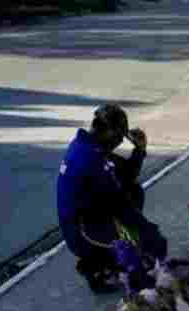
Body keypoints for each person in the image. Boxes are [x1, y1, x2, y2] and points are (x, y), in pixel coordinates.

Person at [56, 104, 167, 293]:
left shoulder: (86, 145)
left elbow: (126, 177)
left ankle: (105, 260)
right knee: (139, 251)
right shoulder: (91, 159)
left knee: (133, 191)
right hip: (82, 231)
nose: (118, 143)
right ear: (108, 132)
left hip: (89, 217)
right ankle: (100, 268)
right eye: (118, 137)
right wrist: (150, 234)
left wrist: (139, 150)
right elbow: (120, 206)